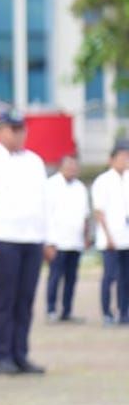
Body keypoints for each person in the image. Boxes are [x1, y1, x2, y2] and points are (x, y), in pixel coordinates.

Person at [0, 111, 51, 375]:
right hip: (3, 239)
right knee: (4, 299)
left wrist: (48, 238)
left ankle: (20, 353)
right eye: (12, 129)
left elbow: (44, 204)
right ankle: (2, 355)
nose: (17, 134)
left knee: (25, 300)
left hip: (32, 238)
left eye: (21, 129)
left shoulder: (35, 162)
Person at [44, 154, 89, 323]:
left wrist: (85, 237)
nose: (72, 169)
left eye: (75, 166)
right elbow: (46, 215)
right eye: (69, 166)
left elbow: (85, 216)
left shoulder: (80, 188)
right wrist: (48, 242)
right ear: (61, 167)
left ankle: (67, 311)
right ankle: (51, 310)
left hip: (75, 242)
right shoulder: (51, 185)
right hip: (57, 242)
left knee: (71, 278)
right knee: (55, 277)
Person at [91, 139, 129, 326]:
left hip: (127, 238)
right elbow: (99, 212)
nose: (125, 160)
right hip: (110, 239)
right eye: (122, 156)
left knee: (126, 278)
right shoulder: (103, 181)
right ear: (111, 159)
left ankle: (124, 313)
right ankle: (107, 313)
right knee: (109, 276)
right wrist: (108, 237)